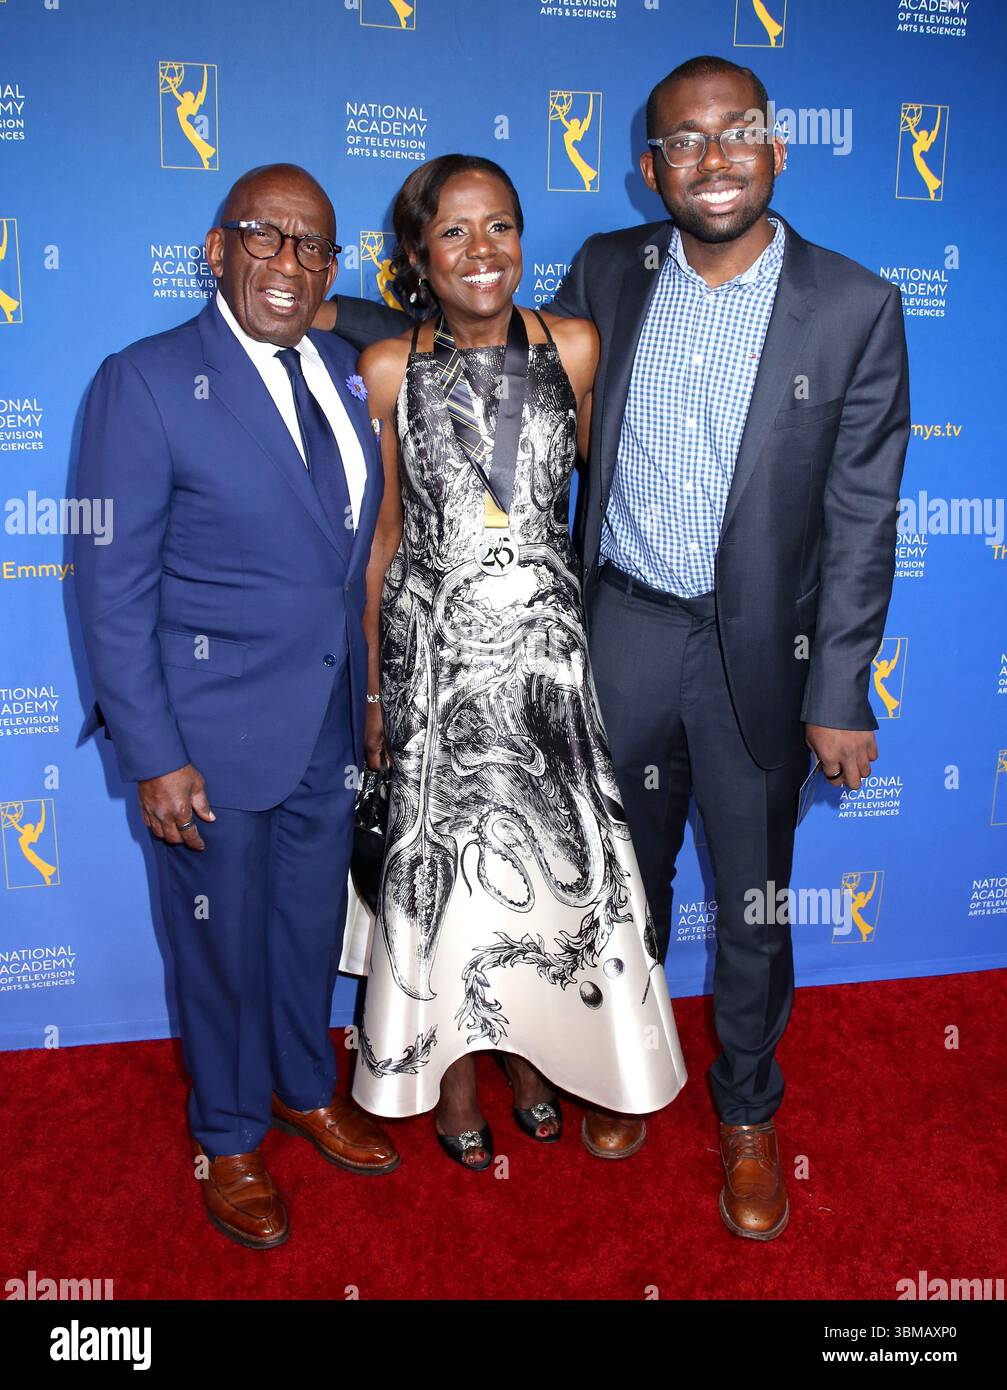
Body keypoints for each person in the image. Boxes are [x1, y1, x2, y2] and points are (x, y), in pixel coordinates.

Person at [330, 55, 911, 1238]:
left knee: (751, 904)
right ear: (650, 168)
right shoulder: (612, 274)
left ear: (773, 147)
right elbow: (479, 352)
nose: (710, 160)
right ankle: (616, 1069)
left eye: (733, 134)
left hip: (761, 655)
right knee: (609, 887)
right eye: (683, 143)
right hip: (615, 635)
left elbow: (862, 516)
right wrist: (313, 326)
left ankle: (746, 1114)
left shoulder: (853, 306)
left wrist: (840, 689)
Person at [75, 163, 398, 1249]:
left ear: (332, 270)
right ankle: (226, 1132)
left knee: (308, 930)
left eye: (313, 246)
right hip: (205, 742)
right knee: (216, 947)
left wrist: (369, 700)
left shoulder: (354, 372)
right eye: (265, 236)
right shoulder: (148, 379)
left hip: (325, 725)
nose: (289, 263)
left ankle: (304, 1087)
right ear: (216, 250)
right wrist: (153, 752)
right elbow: (111, 585)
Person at [344, 154, 687, 1170]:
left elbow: (596, 494)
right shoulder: (387, 370)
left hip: (545, 664)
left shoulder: (573, 346)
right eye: (452, 232)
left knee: (543, 880)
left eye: (498, 225)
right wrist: (375, 686)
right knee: (451, 876)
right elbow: (383, 540)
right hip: (434, 664)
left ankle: (531, 1058)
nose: (479, 250)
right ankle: (450, 1071)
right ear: (415, 254)